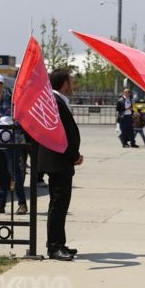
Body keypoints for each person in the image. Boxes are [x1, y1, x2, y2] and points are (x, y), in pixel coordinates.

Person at [38, 68, 83, 261]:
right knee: (58, 204)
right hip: (59, 160)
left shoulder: (56, 101)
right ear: (64, 83)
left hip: (61, 160)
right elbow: (61, 135)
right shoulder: (55, 102)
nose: (73, 85)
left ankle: (59, 243)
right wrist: (74, 155)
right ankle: (54, 247)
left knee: (61, 204)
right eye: (71, 81)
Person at [0, 74, 28, 215]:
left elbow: (22, 121)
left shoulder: (12, 102)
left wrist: (10, 123)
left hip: (12, 144)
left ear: (2, 86)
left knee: (15, 174)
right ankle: (0, 204)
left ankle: (22, 204)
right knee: (1, 174)